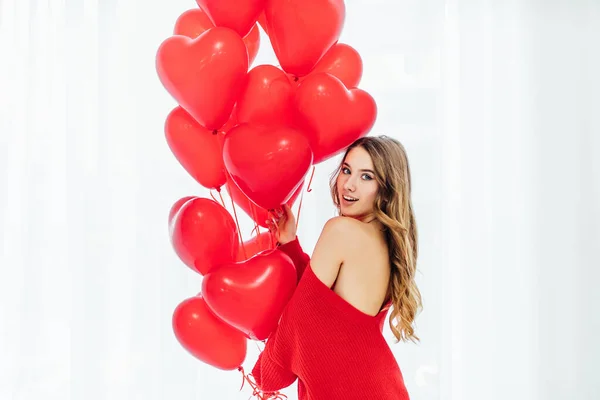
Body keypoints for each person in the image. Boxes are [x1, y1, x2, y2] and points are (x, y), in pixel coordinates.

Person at [251, 135, 422, 400]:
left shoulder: (341, 230)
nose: (349, 185)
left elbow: (300, 322)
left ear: (386, 189)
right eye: (346, 170)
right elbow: (322, 304)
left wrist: (265, 373)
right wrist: (289, 246)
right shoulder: (385, 243)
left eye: (367, 177)